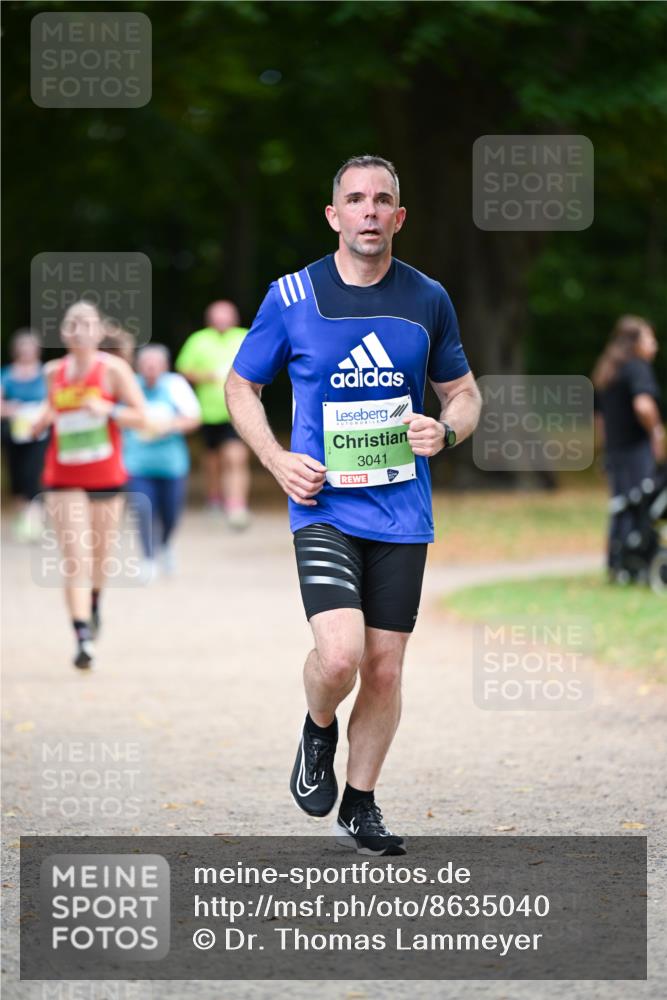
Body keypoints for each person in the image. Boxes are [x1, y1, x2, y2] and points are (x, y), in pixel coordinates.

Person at [226, 155, 482, 855]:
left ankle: (359, 803)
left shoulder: (426, 297)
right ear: (334, 215)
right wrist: (277, 461)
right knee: (339, 657)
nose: (369, 211)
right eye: (355, 200)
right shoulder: (291, 296)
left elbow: (463, 391)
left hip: (402, 510)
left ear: (398, 217)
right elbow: (240, 386)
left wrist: (447, 427)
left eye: (382, 201)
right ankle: (317, 727)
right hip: (324, 507)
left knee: (387, 666)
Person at [31, 300, 145, 668]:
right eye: (72, 323)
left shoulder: (113, 371)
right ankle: (82, 637)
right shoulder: (53, 372)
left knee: (99, 559)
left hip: (106, 476)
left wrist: (108, 410)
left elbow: (142, 417)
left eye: (87, 323)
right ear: (64, 332)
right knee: (75, 557)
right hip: (62, 476)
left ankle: (94, 603)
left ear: (98, 331)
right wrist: (39, 420)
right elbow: (54, 407)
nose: (79, 330)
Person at [592, 315, 665, 581]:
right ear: (634, 343)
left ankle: (617, 564)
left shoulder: (608, 372)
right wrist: (656, 432)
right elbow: (643, 406)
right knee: (641, 504)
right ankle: (638, 564)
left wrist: (607, 449)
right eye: (650, 338)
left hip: (616, 450)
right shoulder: (637, 367)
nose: (654, 345)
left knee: (620, 506)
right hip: (635, 449)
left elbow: (599, 419)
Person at [124, 344, 202, 579]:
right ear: (138, 365)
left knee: (171, 514)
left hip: (171, 464)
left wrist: (167, 426)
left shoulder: (175, 385)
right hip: (136, 463)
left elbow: (193, 418)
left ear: (164, 366)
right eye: (146, 364)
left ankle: (166, 545)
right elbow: (117, 415)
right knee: (142, 510)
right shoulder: (130, 385)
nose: (150, 369)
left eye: (155, 364)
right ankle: (147, 560)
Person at [175, 301, 251, 528]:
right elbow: (183, 370)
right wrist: (205, 376)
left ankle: (237, 505)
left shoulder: (245, 336)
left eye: (225, 316)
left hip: (238, 410)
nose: (221, 320)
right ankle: (215, 498)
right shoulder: (198, 340)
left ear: (234, 317)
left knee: (235, 457)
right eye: (217, 316)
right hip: (208, 412)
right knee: (213, 460)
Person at [1, 329, 48, 541]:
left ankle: (34, 520)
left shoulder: (46, 373)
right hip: (14, 432)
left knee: (34, 474)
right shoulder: (7, 374)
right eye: (23, 349)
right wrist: (11, 408)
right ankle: (23, 518)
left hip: (39, 432)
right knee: (17, 475)